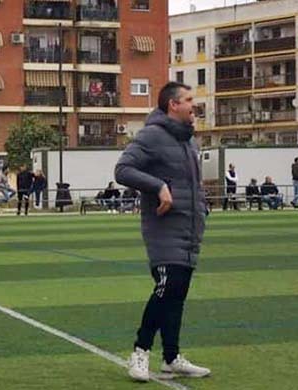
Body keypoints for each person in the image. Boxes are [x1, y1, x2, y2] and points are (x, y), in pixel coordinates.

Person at [115, 81, 210, 381]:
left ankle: (171, 357)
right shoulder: (152, 135)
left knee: (177, 294)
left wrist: (203, 205)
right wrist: (159, 187)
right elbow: (123, 170)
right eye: (189, 99)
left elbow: (193, 185)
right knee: (166, 288)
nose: (194, 104)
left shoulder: (190, 142)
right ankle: (140, 351)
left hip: (190, 228)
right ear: (173, 104)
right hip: (163, 228)